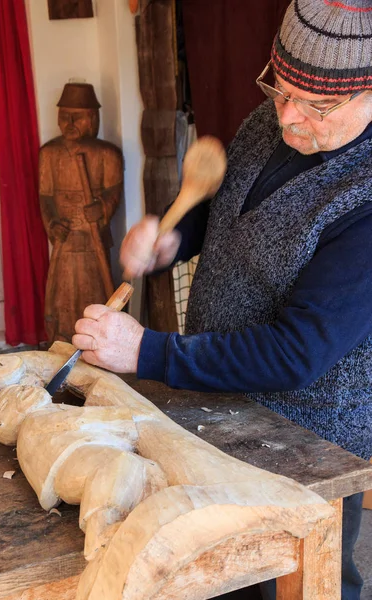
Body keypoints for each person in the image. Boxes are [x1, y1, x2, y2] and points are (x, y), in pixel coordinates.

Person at [73, 2, 372, 599]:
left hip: (308, 440)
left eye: (316, 107)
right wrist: (172, 241)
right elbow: (225, 212)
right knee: (216, 573)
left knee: (304, 578)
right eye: (280, 90)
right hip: (218, 408)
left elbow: (296, 354)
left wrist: (148, 352)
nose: (288, 117)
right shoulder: (268, 124)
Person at [39, 83, 123, 344]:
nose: (70, 122)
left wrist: (102, 208)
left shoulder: (108, 154)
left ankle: (97, 340)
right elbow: (45, 197)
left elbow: (114, 192)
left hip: (93, 237)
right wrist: (52, 223)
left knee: (95, 289)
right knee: (62, 293)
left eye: (78, 116)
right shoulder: (49, 154)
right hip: (65, 238)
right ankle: (63, 338)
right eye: (65, 116)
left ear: (93, 118)